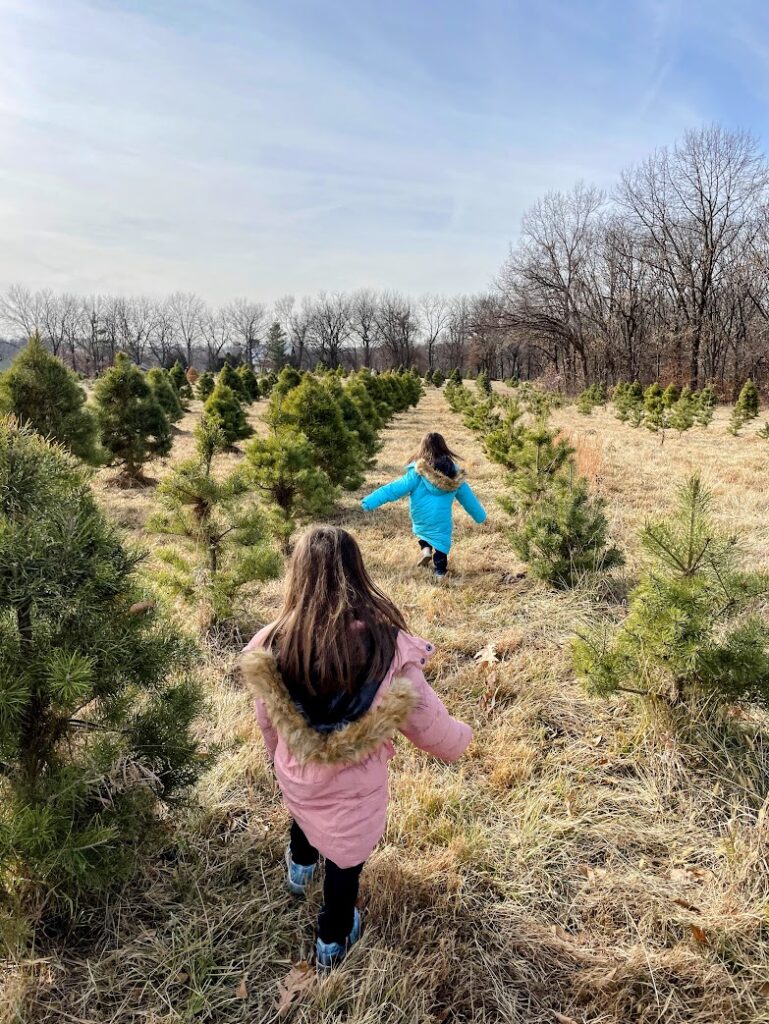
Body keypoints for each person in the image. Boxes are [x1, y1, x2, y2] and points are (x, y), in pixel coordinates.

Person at [240, 526, 472, 970]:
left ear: (298, 576)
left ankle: (299, 870)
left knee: (305, 817)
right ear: (357, 571)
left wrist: (278, 755)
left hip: (298, 774)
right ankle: (332, 938)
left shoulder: (276, 643)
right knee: (346, 864)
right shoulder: (385, 648)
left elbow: (268, 719)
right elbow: (429, 723)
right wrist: (460, 739)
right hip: (356, 792)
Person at [360, 432, 486, 578]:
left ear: (423, 448)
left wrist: (369, 501)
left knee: (423, 532)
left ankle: (426, 550)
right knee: (441, 541)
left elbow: (392, 489)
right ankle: (440, 572)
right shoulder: (455, 474)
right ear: (444, 447)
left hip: (420, 515)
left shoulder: (417, 473)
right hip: (441, 518)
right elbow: (468, 499)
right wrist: (480, 516)